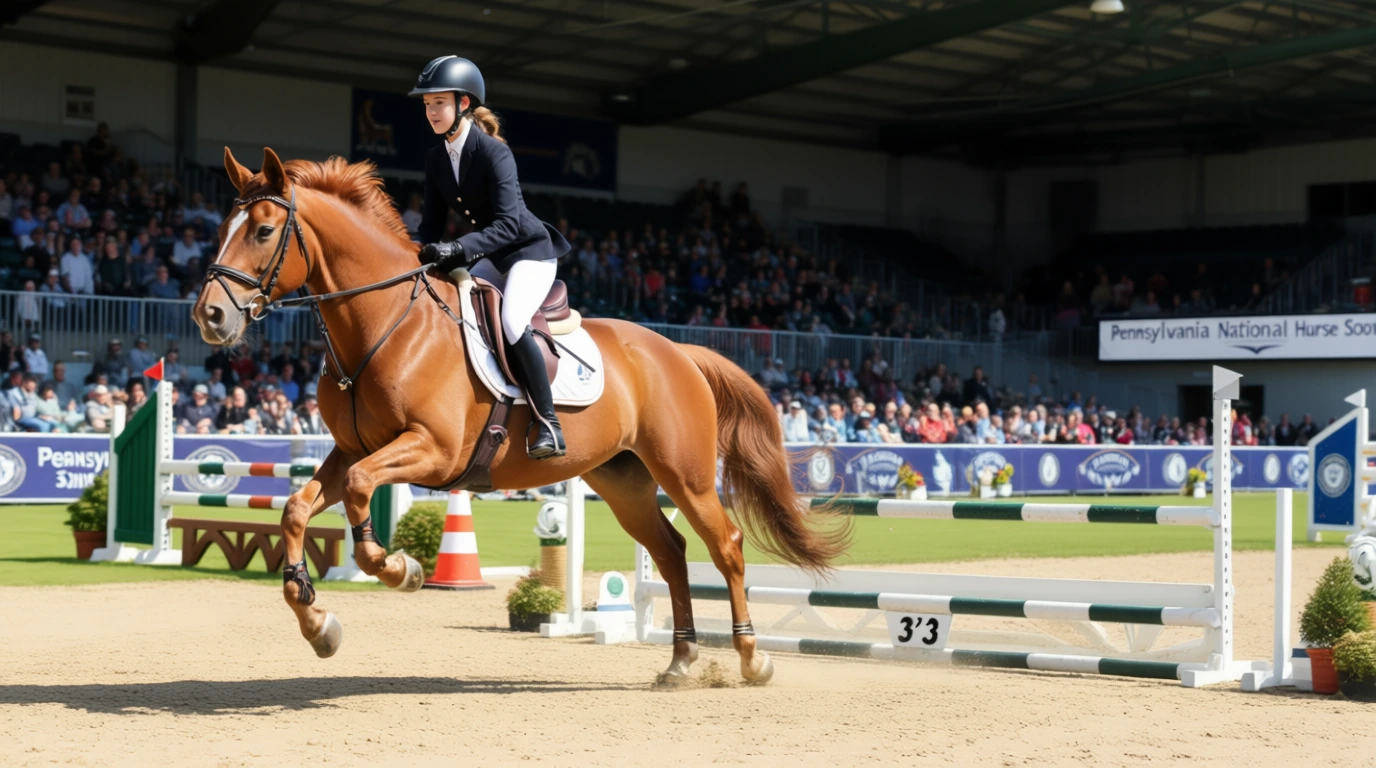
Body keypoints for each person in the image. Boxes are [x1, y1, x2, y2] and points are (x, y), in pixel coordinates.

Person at [412, 55, 572, 459]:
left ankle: (548, 422)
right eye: (427, 104)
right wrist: (410, 258)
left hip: (528, 253)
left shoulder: (494, 153)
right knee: (452, 310)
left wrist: (457, 249)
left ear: (463, 104)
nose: (431, 112)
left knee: (512, 320)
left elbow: (509, 225)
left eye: (439, 103)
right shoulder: (435, 158)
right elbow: (430, 226)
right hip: (492, 255)